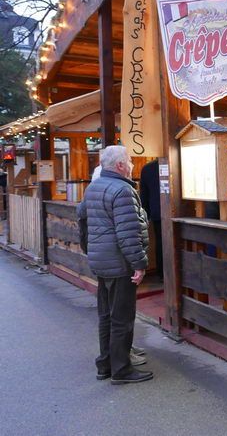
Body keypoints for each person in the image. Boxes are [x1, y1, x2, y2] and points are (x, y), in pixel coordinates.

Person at [77, 146, 152, 385]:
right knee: (122, 318)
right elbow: (128, 234)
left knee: (106, 316)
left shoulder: (93, 187)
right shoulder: (122, 190)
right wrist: (139, 264)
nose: (132, 164)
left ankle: (105, 365)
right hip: (119, 263)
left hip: (101, 260)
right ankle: (121, 370)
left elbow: (83, 222)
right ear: (120, 165)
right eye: (129, 161)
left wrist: (91, 251)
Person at [138, 160, 162, 276]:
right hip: (182, 211)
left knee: (160, 242)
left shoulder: (147, 168)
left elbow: (144, 195)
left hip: (157, 212)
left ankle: (162, 273)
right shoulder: (181, 162)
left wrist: (145, 214)